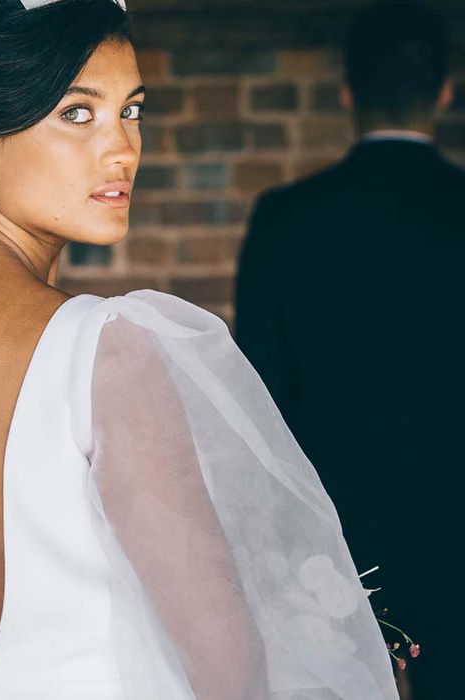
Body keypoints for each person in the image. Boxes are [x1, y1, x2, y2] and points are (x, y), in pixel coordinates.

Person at [0, 1, 398, 699]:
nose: (122, 148)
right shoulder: (107, 355)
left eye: (132, 110)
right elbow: (232, 675)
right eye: (77, 114)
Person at [234, 2, 464, 697]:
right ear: (445, 92)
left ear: (346, 91)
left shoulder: (285, 222)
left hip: (335, 563)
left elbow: (259, 408)